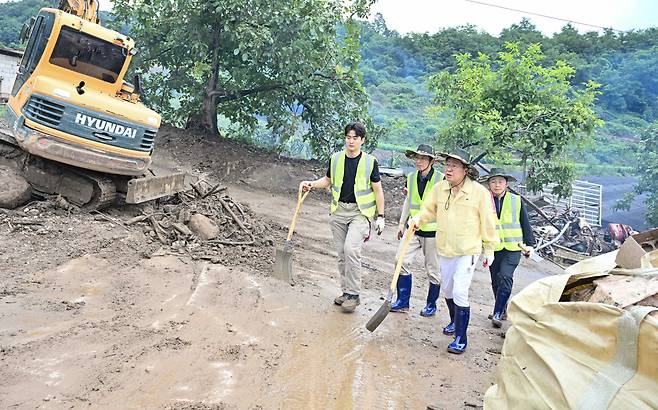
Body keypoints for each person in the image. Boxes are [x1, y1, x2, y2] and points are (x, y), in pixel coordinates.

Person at [408, 148, 499, 354]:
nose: (448, 169)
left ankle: (460, 337)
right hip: (445, 248)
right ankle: (453, 321)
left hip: (468, 250)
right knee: (448, 290)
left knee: (459, 291)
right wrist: (417, 220)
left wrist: (490, 249)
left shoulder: (479, 193)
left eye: (454, 166)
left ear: (465, 170)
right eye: (447, 165)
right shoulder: (440, 188)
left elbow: (488, 222)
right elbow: (429, 210)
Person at [300, 122, 386, 313]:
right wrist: (311, 184)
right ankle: (346, 292)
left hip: (360, 213)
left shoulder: (370, 162)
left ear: (362, 140)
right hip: (339, 211)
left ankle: (354, 295)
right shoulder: (336, 159)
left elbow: (378, 190)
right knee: (341, 254)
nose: (351, 141)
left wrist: (381, 216)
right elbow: (328, 181)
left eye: (355, 138)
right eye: (348, 137)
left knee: (351, 249)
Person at [391, 144, 443, 316]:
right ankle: (402, 301)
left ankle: (431, 304)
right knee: (401, 260)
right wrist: (401, 223)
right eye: (417, 158)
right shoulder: (412, 177)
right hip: (413, 229)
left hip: (433, 232)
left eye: (423, 158)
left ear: (431, 161)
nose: (419, 161)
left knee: (433, 270)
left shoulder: (441, 180)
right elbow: (409, 200)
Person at [481, 168, 535, 328]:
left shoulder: (516, 200)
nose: (497, 185)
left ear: (506, 183)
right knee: (495, 280)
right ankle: (502, 309)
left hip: (513, 247)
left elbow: (526, 224)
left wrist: (530, 245)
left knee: (505, 276)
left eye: (500, 182)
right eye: (493, 181)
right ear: (489, 184)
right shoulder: (484, 201)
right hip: (493, 248)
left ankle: (497, 313)